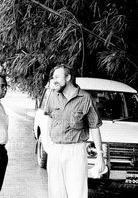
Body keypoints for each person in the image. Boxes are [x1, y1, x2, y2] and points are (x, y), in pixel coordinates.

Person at [45, 65, 105, 198]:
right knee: (55, 193)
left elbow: (95, 127)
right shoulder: (53, 96)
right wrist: (47, 145)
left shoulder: (85, 98)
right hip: (55, 150)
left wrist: (100, 157)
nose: (54, 81)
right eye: (53, 77)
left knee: (77, 193)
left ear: (68, 77)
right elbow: (48, 120)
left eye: (57, 77)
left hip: (75, 151)